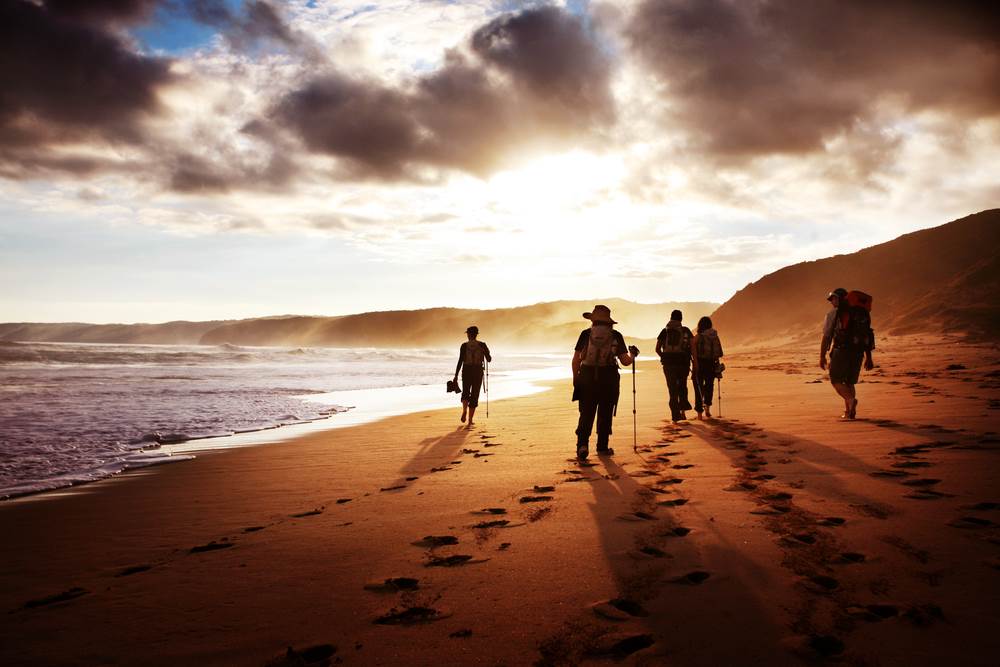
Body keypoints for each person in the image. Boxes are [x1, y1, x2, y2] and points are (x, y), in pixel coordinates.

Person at [572, 305, 639, 459]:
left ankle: (582, 445)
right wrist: (633, 355)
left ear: (593, 320)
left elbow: (576, 360)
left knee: (586, 413)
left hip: (587, 376)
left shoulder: (586, 334)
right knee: (605, 412)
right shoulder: (616, 335)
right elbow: (625, 362)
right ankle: (602, 447)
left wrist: (577, 380)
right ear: (609, 321)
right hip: (608, 378)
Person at [820, 288, 874, 419]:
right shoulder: (862, 313)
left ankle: (850, 401)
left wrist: (822, 356)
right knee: (849, 382)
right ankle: (850, 412)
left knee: (836, 380)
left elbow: (826, 336)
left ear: (840, 298)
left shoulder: (834, 314)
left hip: (841, 351)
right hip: (858, 352)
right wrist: (869, 357)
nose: (831, 301)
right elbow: (867, 335)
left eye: (833, 298)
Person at [656, 310, 694, 422]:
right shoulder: (685, 330)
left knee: (672, 390)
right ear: (681, 319)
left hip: (668, 365)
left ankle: (675, 417)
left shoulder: (664, 331)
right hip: (683, 363)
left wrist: (663, 356)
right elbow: (692, 348)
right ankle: (682, 413)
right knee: (682, 386)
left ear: (671, 318)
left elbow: (657, 349)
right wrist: (695, 363)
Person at [454, 326, 492, 426]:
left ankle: (464, 411)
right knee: (475, 395)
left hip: (466, 370)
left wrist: (456, 375)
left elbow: (460, 361)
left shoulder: (464, 346)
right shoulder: (482, 345)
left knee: (465, 391)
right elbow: (489, 359)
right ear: (476, 334)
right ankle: (470, 420)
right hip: (477, 371)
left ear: (468, 335)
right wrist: (484, 351)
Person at [692, 316, 724, 419]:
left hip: (700, 364)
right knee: (709, 386)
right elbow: (719, 352)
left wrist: (695, 363)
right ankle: (707, 409)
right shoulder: (715, 336)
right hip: (711, 363)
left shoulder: (699, 336)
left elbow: (693, 349)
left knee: (699, 387)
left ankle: (699, 413)